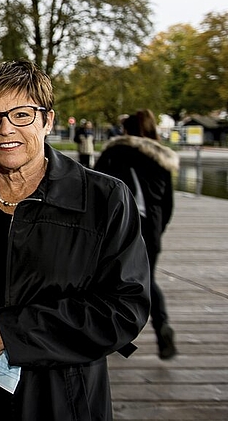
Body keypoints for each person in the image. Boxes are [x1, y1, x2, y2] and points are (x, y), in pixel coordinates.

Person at [0, 59, 150, 420]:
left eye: (21, 114)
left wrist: (7, 330)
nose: (5, 130)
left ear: (47, 120)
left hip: (59, 396)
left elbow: (123, 309)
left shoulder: (103, 198)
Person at [95, 109, 180, 359]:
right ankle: (162, 324)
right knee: (147, 279)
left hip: (119, 226)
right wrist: (157, 230)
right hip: (151, 228)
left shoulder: (115, 153)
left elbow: (95, 188)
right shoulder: (160, 158)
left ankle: (117, 337)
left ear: (126, 130)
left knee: (108, 279)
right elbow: (168, 203)